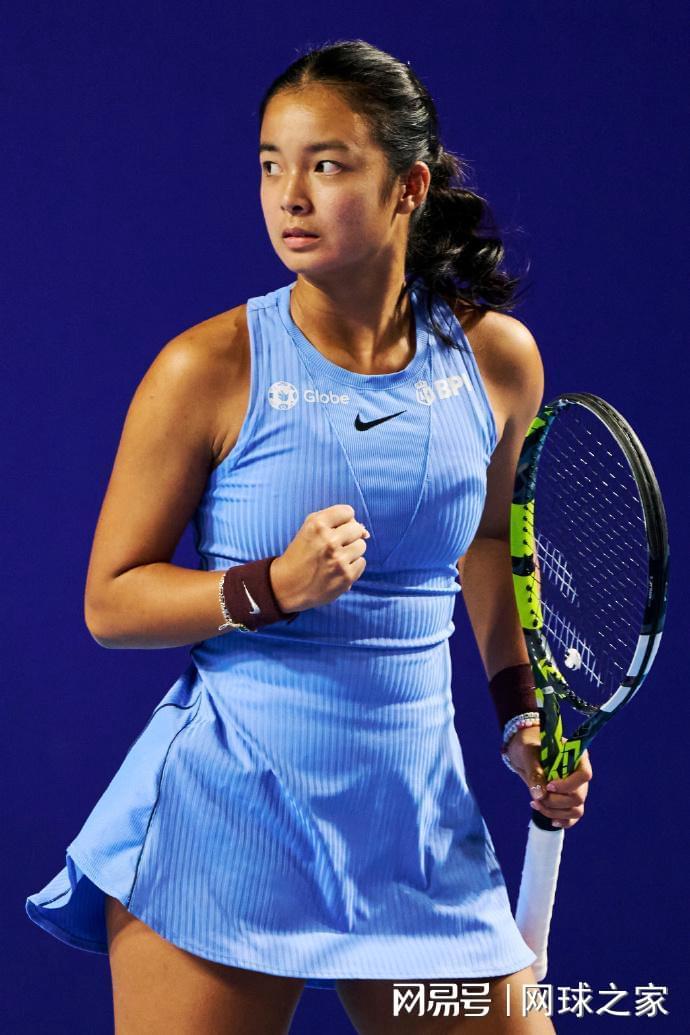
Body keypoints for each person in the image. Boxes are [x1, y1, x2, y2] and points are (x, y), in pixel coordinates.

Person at [25, 39, 592, 1034]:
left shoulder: (498, 361)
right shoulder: (206, 367)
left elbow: (485, 541)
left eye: (326, 165)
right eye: (270, 166)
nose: (290, 196)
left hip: (417, 829)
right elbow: (111, 600)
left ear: (409, 186)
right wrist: (268, 586)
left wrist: (519, 713)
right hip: (226, 828)